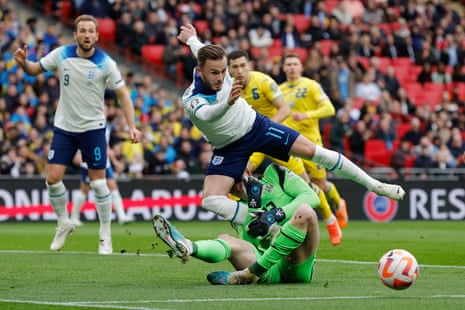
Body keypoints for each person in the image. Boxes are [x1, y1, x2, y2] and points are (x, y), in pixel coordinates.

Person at [176, 24, 404, 237]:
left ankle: (374, 185)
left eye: (223, 71)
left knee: (314, 152)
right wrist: (226, 103)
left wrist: (191, 39)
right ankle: (261, 220)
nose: (221, 77)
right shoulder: (191, 99)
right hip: (228, 146)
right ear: (200, 71)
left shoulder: (216, 66)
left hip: (255, 127)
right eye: (214, 73)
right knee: (210, 200)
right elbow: (207, 114)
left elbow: (200, 48)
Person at [14, 15, 142, 254]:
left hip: (93, 129)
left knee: (99, 183)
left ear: (96, 35)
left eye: (90, 31)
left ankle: (105, 234)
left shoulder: (106, 63)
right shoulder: (61, 54)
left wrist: (131, 126)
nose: (86, 35)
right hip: (64, 128)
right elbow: (33, 70)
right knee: (52, 179)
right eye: (81, 30)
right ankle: (64, 223)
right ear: (75, 35)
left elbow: (123, 94)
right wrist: (24, 63)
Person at [227, 50, 343, 246]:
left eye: (242, 66)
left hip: (277, 139)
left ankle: (331, 220)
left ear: (249, 65)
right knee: (237, 176)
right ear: (228, 69)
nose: (239, 71)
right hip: (254, 144)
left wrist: (264, 130)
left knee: (310, 185)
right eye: (234, 67)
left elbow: (285, 109)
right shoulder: (227, 89)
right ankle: (248, 222)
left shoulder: (264, 81)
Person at [153, 164, 321, 284]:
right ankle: (188, 247)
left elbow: (312, 197)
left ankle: (248, 274)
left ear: (247, 171)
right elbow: (251, 245)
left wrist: (273, 215)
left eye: (239, 181)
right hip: (267, 269)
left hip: (297, 263)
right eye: (232, 188)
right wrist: (254, 213)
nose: (238, 189)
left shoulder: (275, 174)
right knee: (227, 238)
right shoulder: (237, 210)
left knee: (305, 211)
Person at [279, 53, 349, 233]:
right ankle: (324, 220)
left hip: (311, 143)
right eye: (289, 64)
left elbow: (330, 109)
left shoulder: (311, 85)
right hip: (290, 145)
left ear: (301, 67)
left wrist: (307, 115)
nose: (292, 67)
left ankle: (339, 203)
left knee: (322, 185)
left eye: (295, 64)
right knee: (304, 185)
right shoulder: (279, 90)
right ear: (284, 68)